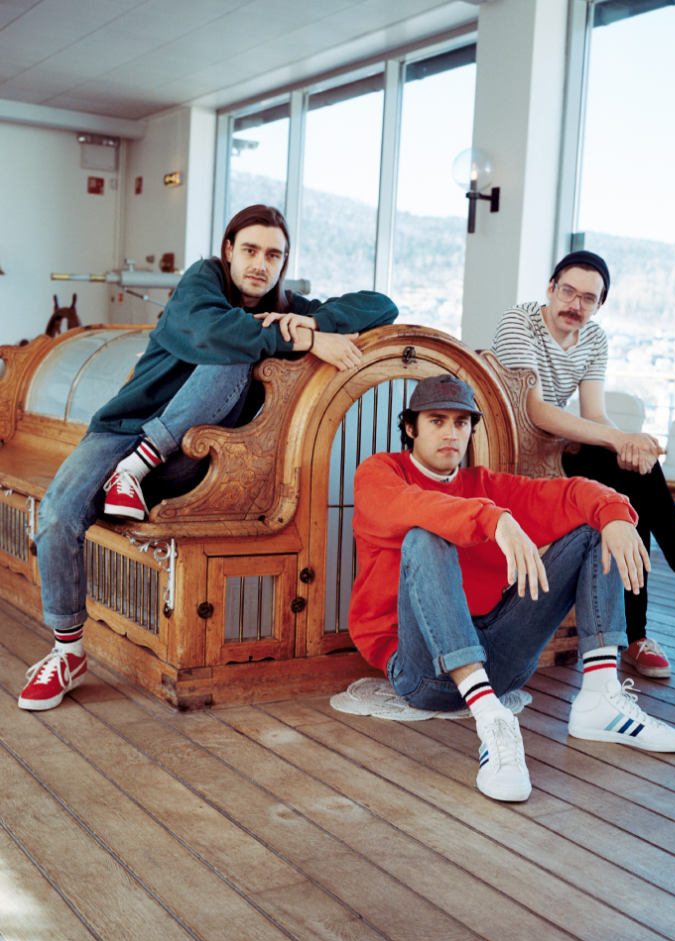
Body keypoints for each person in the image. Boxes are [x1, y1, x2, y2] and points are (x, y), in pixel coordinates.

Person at [18, 203, 398, 712]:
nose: (260, 264)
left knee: (240, 346)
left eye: (273, 255)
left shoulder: (286, 307)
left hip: (186, 457)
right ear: (228, 251)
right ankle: (67, 652)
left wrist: (303, 319)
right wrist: (307, 337)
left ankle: (134, 470)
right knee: (57, 515)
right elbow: (213, 331)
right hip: (119, 432)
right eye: (250, 250)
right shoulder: (201, 282)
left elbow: (381, 305)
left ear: (284, 263)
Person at [349, 373, 675, 803]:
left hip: (500, 660)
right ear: (410, 427)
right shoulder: (379, 473)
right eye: (437, 420)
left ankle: (601, 697)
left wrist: (615, 514)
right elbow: (413, 506)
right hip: (422, 671)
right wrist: (494, 519)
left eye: (461, 422)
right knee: (425, 535)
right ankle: (492, 720)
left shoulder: (486, 485)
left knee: (594, 530)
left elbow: (569, 493)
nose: (451, 433)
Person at [492, 250, 675, 679]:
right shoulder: (519, 322)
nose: (575, 304)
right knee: (629, 470)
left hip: (559, 451)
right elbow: (533, 411)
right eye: (568, 291)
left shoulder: (594, 338)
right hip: (511, 454)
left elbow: (595, 414)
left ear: (599, 305)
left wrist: (629, 446)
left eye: (588, 298)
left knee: (635, 473)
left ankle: (645, 628)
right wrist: (618, 439)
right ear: (551, 288)